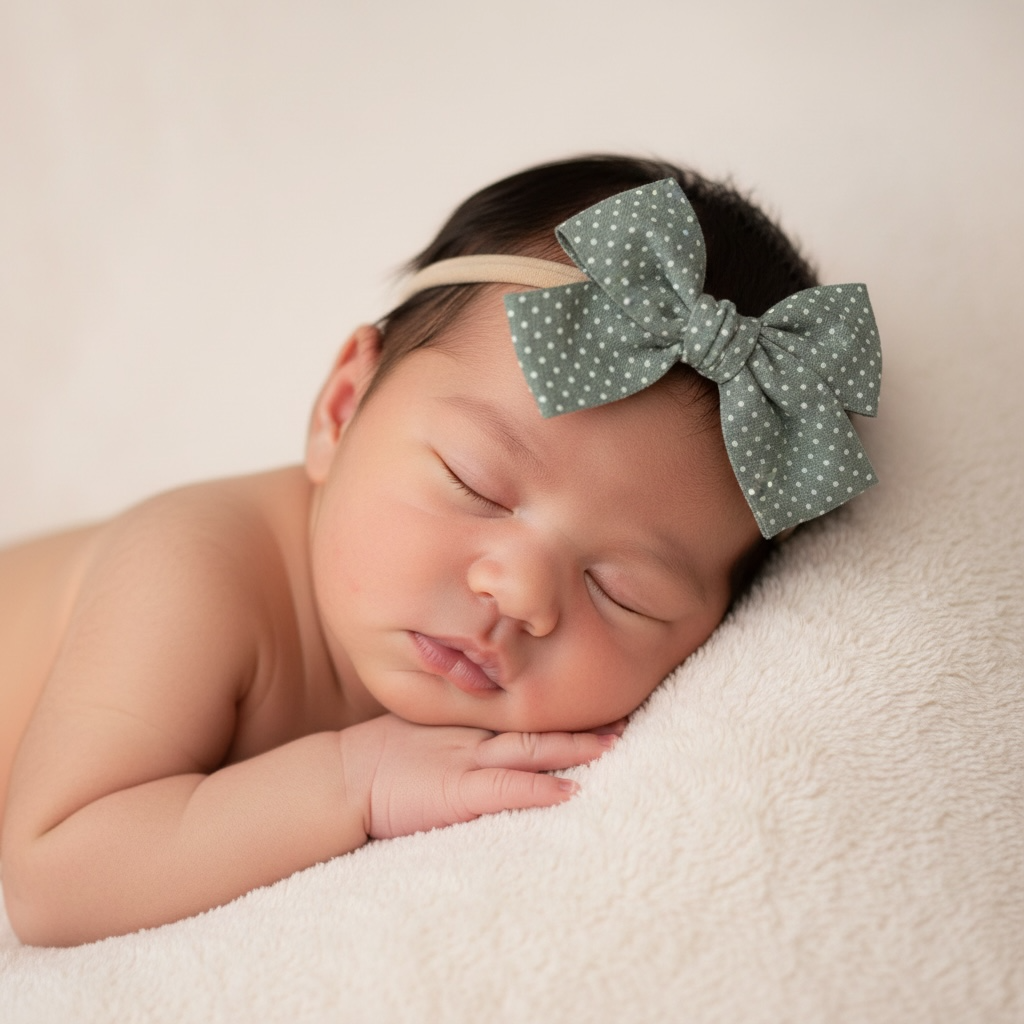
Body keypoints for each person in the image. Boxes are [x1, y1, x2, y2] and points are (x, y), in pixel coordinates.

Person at [0, 155, 881, 946]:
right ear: (341, 409)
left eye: (622, 592)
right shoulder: (194, 568)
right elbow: (52, 875)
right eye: (476, 484)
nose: (519, 592)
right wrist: (355, 780)